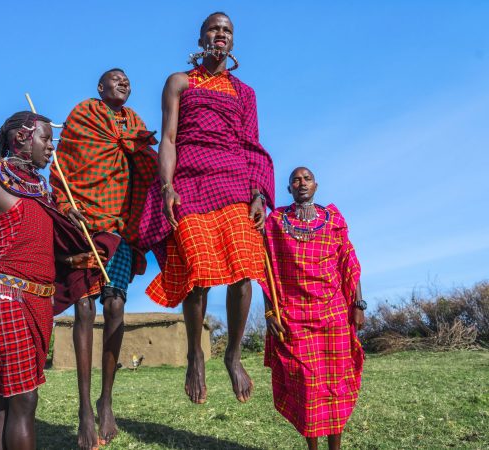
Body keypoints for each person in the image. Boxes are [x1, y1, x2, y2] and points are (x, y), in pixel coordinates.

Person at [0, 112, 114, 450]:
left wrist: (73, 244)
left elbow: (36, 248)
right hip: (4, 300)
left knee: (5, 404)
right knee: (24, 400)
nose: (52, 147)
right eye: (46, 140)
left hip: (38, 304)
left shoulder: (41, 191)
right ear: (21, 139)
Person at [138, 12, 275, 404]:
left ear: (232, 42)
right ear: (201, 38)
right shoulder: (179, 82)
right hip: (191, 182)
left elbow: (252, 145)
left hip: (234, 182)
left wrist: (259, 193)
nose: (221, 34)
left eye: (227, 30)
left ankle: (232, 353)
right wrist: (166, 187)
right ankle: (196, 351)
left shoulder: (244, 92)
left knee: (245, 267)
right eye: (214, 29)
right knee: (197, 271)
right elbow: (167, 138)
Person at [50, 69, 158, 448]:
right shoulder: (83, 116)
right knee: (83, 309)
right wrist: (66, 206)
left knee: (115, 307)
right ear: (100, 87)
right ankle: (83, 411)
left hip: (119, 226)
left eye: (128, 80)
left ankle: (105, 401)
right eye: (115, 79)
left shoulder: (137, 124)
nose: (124, 83)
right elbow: (61, 170)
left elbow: (148, 169)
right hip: (82, 223)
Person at [261, 167, 366, 450]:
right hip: (293, 316)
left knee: (336, 386)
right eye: (296, 179)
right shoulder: (276, 221)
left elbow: (349, 262)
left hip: (333, 314)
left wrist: (358, 303)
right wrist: (270, 312)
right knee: (306, 386)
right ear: (289, 189)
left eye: (307, 178)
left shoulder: (333, 219)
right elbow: (266, 268)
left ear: (316, 186)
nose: (302, 183)